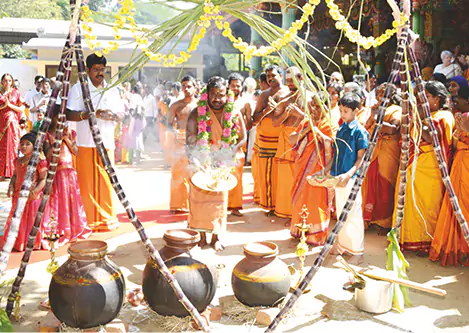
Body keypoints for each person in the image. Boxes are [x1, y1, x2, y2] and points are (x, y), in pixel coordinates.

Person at [393, 81, 454, 255]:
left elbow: (431, 138)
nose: (422, 100)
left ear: (438, 99)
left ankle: (427, 241)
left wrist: (417, 118)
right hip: (415, 164)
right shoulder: (429, 114)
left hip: (430, 168)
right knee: (409, 203)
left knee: (428, 206)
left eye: (426, 97)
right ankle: (410, 239)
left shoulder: (444, 116)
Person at [186, 76, 247, 251]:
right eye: (214, 95)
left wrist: (229, 151)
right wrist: (197, 158)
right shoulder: (197, 113)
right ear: (207, 94)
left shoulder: (234, 112)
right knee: (199, 200)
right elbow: (190, 139)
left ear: (226, 94)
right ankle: (201, 236)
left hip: (222, 163)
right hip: (202, 162)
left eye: (221, 95)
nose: (218, 100)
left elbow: (243, 137)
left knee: (219, 200)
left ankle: (216, 237)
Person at [66, 54, 124, 232]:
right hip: (85, 143)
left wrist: (112, 116)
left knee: (106, 181)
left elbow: (121, 115)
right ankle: (88, 221)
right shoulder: (79, 89)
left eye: (102, 69)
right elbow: (69, 114)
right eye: (96, 69)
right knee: (86, 184)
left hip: (106, 143)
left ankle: (106, 219)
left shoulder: (112, 90)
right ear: (88, 70)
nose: (100, 73)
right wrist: (91, 114)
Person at [289, 94, 336, 245]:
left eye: (318, 106)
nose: (315, 109)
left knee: (316, 200)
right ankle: (299, 231)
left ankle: (315, 235)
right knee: (301, 198)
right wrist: (308, 128)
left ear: (327, 107)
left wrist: (317, 130)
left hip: (319, 169)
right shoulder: (306, 122)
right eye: (313, 105)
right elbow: (291, 139)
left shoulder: (330, 124)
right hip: (301, 168)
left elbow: (331, 144)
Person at [430, 86, 469, 266]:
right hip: (459, 166)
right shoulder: (461, 117)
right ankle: (457, 248)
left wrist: (466, 131)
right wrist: (458, 134)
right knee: (457, 205)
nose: (455, 103)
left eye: (458, 99)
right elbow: (454, 145)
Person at [329, 93, 369, 264]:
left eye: (346, 111)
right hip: (339, 175)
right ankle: (344, 246)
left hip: (350, 177)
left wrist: (349, 174)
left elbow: (361, 158)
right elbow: (336, 154)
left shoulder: (360, 131)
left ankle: (357, 250)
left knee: (353, 213)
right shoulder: (342, 128)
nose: (342, 114)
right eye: (340, 110)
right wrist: (327, 170)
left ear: (356, 111)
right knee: (341, 210)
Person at [44, 112, 91, 246]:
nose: (61, 120)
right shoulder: (47, 135)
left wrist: (66, 139)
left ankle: (75, 227)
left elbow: (76, 152)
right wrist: (58, 140)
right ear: (52, 118)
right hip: (56, 172)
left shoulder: (71, 133)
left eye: (63, 118)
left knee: (72, 200)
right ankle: (62, 229)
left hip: (70, 171)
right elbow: (48, 155)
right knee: (59, 200)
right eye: (57, 117)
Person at [362, 83, 402, 231]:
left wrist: (377, 117)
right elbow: (367, 127)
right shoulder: (377, 109)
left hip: (388, 151)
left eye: (382, 94)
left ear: (391, 96)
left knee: (385, 185)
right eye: (378, 94)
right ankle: (370, 218)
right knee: (371, 183)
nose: (379, 97)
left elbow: (393, 129)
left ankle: (384, 222)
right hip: (373, 150)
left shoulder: (396, 110)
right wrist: (373, 116)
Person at [252, 65, 290, 215]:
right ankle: (271, 206)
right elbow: (254, 118)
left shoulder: (289, 93)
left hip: (283, 139)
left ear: (281, 76)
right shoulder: (264, 95)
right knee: (268, 175)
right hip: (266, 140)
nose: (270, 78)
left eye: (273, 75)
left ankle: (283, 206)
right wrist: (266, 112)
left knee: (283, 174)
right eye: (268, 76)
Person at [2, 132, 49, 251]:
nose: (23, 146)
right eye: (21, 144)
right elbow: (15, 176)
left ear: (34, 146)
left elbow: (43, 179)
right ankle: (19, 242)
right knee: (18, 218)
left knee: (31, 219)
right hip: (18, 195)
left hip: (32, 197)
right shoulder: (17, 161)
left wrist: (35, 192)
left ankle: (31, 242)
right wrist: (11, 187)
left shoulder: (39, 161)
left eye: (27, 144)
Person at [271, 66, 305, 220]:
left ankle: (300, 214)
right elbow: (275, 123)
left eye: (293, 81)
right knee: (285, 180)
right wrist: (286, 114)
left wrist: (300, 114)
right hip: (285, 143)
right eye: (288, 81)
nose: (290, 84)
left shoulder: (310, 98)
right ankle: (285, 212)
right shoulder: (283, 99)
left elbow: (316, 121)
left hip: (303, 141)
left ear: (301, 79)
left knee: (301, 177)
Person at [167, 76, 198, 214]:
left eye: (189, 86)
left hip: (195, 142)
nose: (186, 88)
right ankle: (177, 205)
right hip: (179, 142)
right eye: (184, 86)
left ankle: (195, 203)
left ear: (195, 87)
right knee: (177, 173)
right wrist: (174, 132)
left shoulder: (200, 106)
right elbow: (168, 124)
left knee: (195, 173)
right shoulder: (175, 105)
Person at [227, 73, 247, 217]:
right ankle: (223, 203)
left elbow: (250, 121)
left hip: (239, 143)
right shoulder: (222, 101)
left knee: (236, 175)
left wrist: (241, 133)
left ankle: (234, 206)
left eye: (238, 85)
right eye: (233, 85)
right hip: (223, 142)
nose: (235, 88)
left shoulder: (245, 103)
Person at [0, 73, 24, 180]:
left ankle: (12, 172)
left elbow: (21, 109)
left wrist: (9, 105)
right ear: (1, 82)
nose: (7, 83)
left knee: (13, 145)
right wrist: (3, 106)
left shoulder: (15, 93)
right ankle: (2, 172)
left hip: (12, 122)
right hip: (1, 122)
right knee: (2, 146)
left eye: (9, 80)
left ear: (12, 82)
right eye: (5, 80)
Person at [127, 85, 146, 164]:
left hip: (134, 119)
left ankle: (132, 159)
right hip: (140, 120)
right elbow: (142, 110)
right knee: (138, 139)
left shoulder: (134, 97)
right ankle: (137, 159)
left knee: (132, 138)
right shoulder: (139, 98)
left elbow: (131, 109)